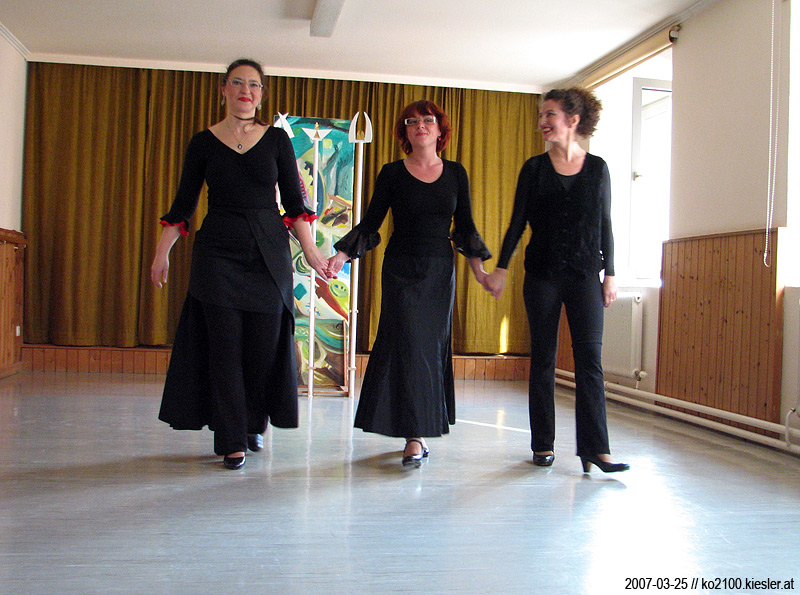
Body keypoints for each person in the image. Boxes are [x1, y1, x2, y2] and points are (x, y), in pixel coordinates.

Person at [150, 58, 329, 470]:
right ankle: (231, 439)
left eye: (254, 85)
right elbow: (183, 205)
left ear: (261, 94)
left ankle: (252, 423)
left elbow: (295, 205)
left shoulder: (277, 140)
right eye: (238, 83)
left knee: (262, 348)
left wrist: (313, 252)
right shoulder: (203, 142)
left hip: (268, 254)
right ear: (224, 89)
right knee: (224, 349)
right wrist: (163, 252)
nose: (246, 90)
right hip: (218, 253)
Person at [327, 100, 491, 467]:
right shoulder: (391, 173)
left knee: (428, 350)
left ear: (439, 130)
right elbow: (371, 224)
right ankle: (413, 434)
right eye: (412, 121)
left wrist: (480, 271)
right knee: (407, 346)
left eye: (427, 120)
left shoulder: (456, 173)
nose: (420, 126)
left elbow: (465, 228)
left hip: (438, 271)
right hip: (400, 269)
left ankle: (416, 435)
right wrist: (341, 256)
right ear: (404, 131)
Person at [483, 87, 629, 474]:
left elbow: (606, 223)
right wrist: (501, 267)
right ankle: (542, 444)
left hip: (585, 275)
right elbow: (517, 223)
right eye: (540, 115)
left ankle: (596, 449)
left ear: (573, 120)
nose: (542, 121)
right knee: (544, 359)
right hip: (543, 275)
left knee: (590, 362)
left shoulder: (597, 168)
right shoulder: (533, 168)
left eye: (550, 114)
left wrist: (610, 272)